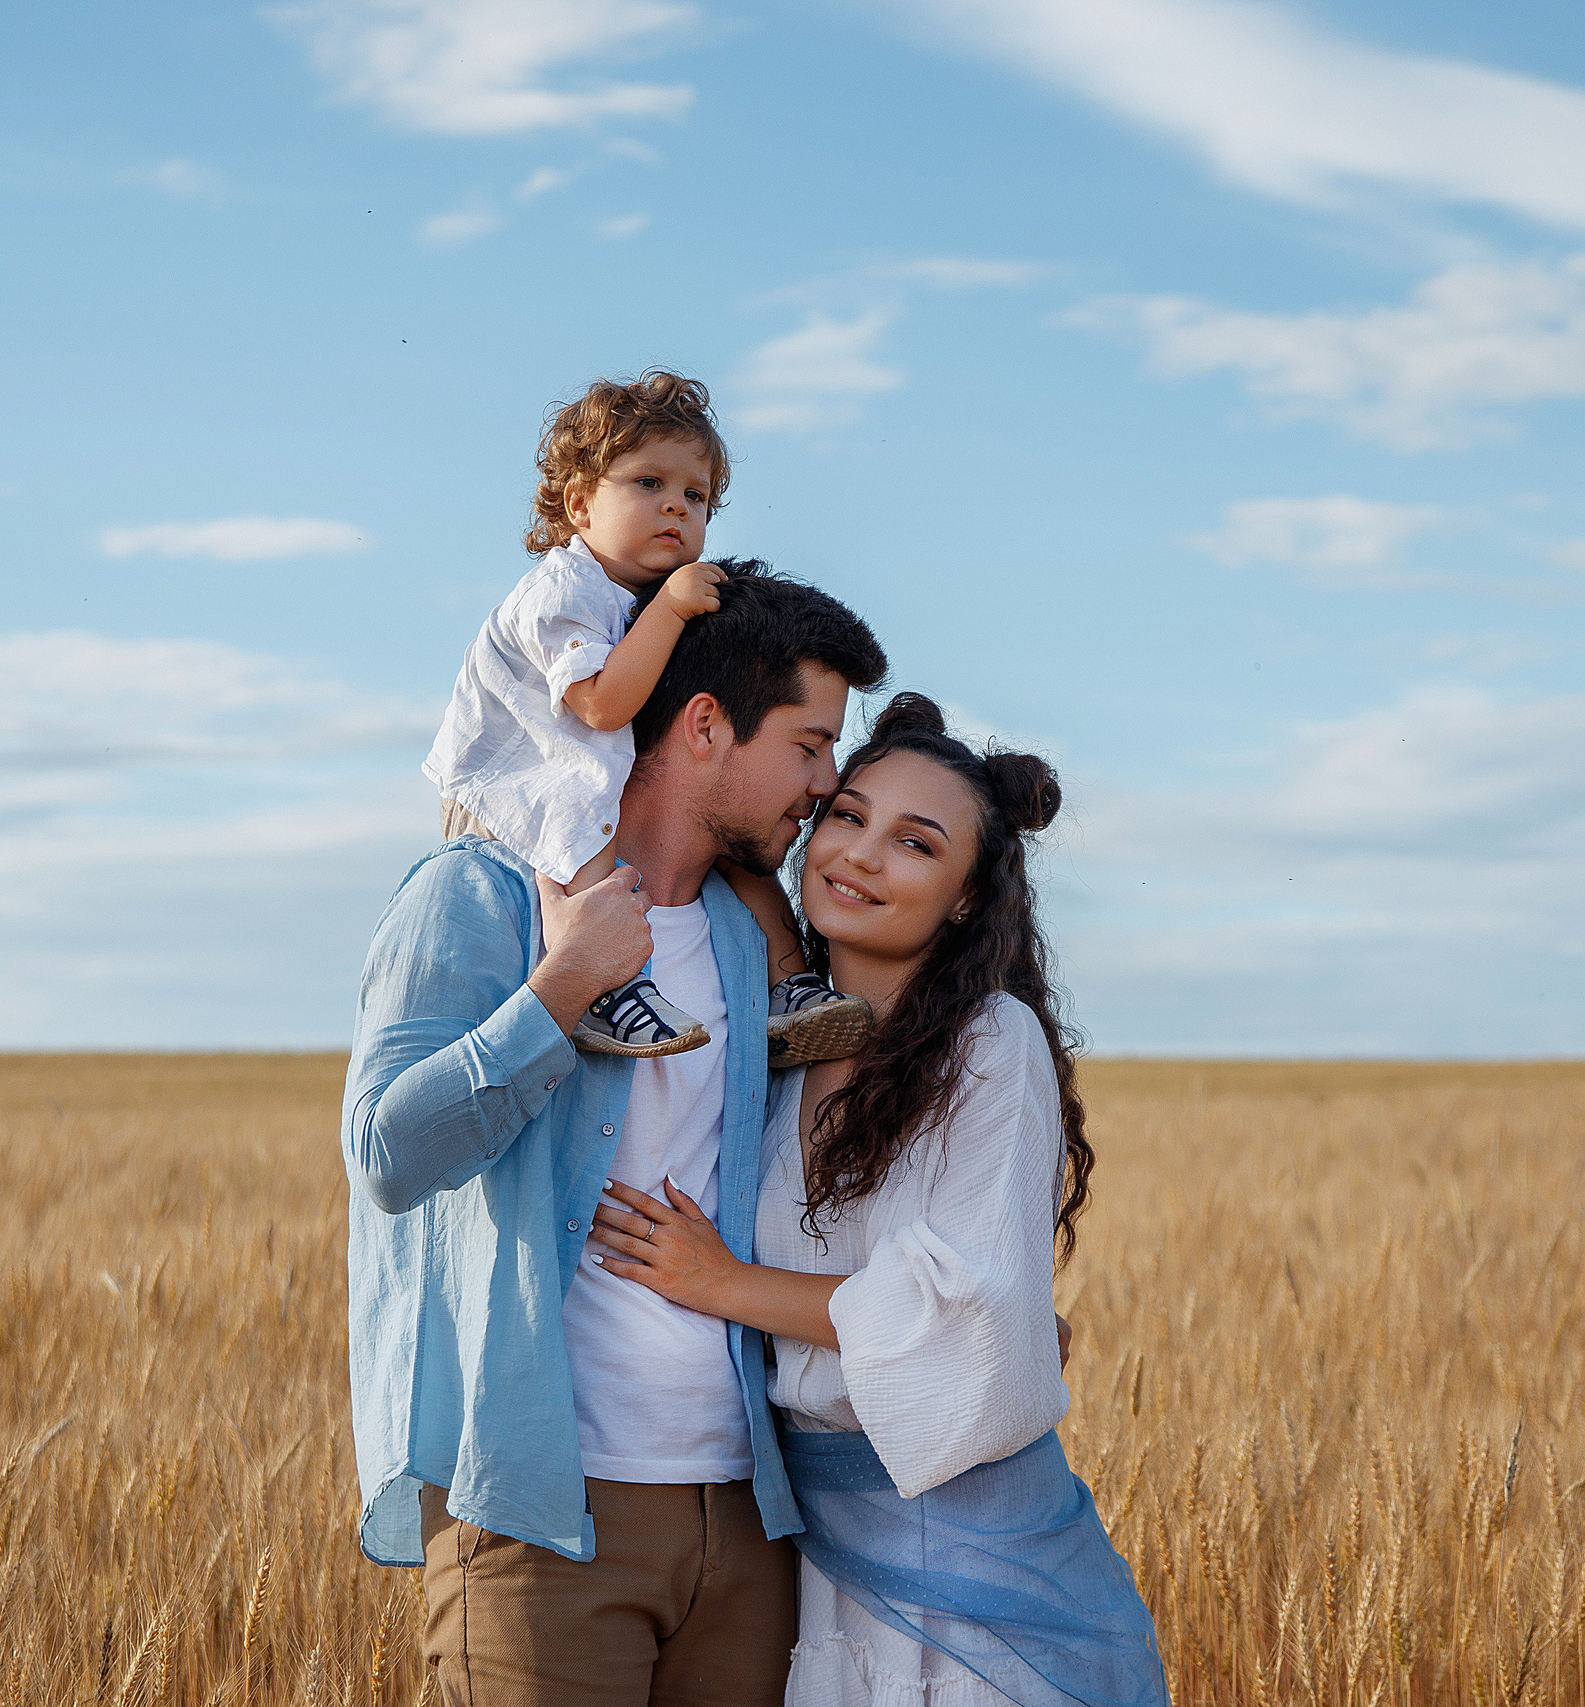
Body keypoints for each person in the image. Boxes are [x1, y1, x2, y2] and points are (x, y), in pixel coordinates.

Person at [344, 564, 891, 1707]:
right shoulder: (474, 898)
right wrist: (560, 990)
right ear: (703, 727)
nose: (824, 783)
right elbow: (388, 1157)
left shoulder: (759, 946)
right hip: (546, 1515)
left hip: (749, 1517)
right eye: (806, 743)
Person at [587, 694, 1172, 1707]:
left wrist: (719, 1282)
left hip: (973, 1561)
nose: (858, 854)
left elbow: (954, 1306)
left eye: (913, 843)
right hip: (810, 1557)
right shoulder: (774, 1049)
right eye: (846, 816)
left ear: (961, 899)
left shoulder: (988, 1042)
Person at [424, 369, 870, 1066]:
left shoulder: (642, 596)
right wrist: (671, 608)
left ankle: (787, 986)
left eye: (695, 496)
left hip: (585, 762)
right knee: (588, 830)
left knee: (734, 837)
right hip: (515, 779)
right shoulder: (561, 591)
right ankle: (607, 987)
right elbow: (602, 704)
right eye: (648, 484)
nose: (676, 508)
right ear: (578, 504)